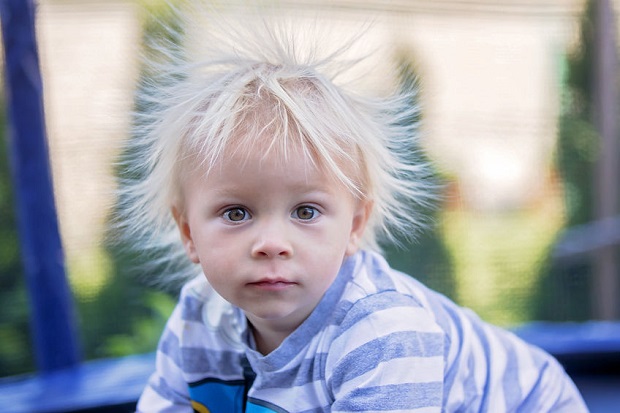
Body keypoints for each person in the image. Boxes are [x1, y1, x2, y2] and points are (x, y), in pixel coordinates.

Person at [124, 4, 589, 412]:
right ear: (188, 233)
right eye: (236, 213)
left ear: (355, 226)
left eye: (305, 212)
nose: (270, 244)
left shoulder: (381, 332)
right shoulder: (199, 317)